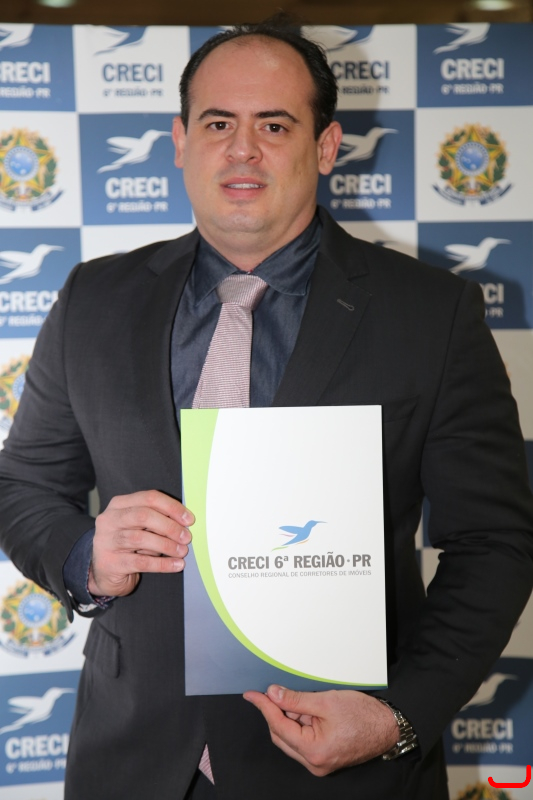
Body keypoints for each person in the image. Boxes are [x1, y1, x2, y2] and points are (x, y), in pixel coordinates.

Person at [0, 20, 532, 800]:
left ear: (325, 147)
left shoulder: (430, 313)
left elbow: (492, 543)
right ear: (180, 142)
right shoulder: (94, 299)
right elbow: (24, 487)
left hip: (346, 767)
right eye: (218, 123)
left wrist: (398, 716)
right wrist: (86, 556)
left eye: (274, 126)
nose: (242, 150)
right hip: (133, 760)